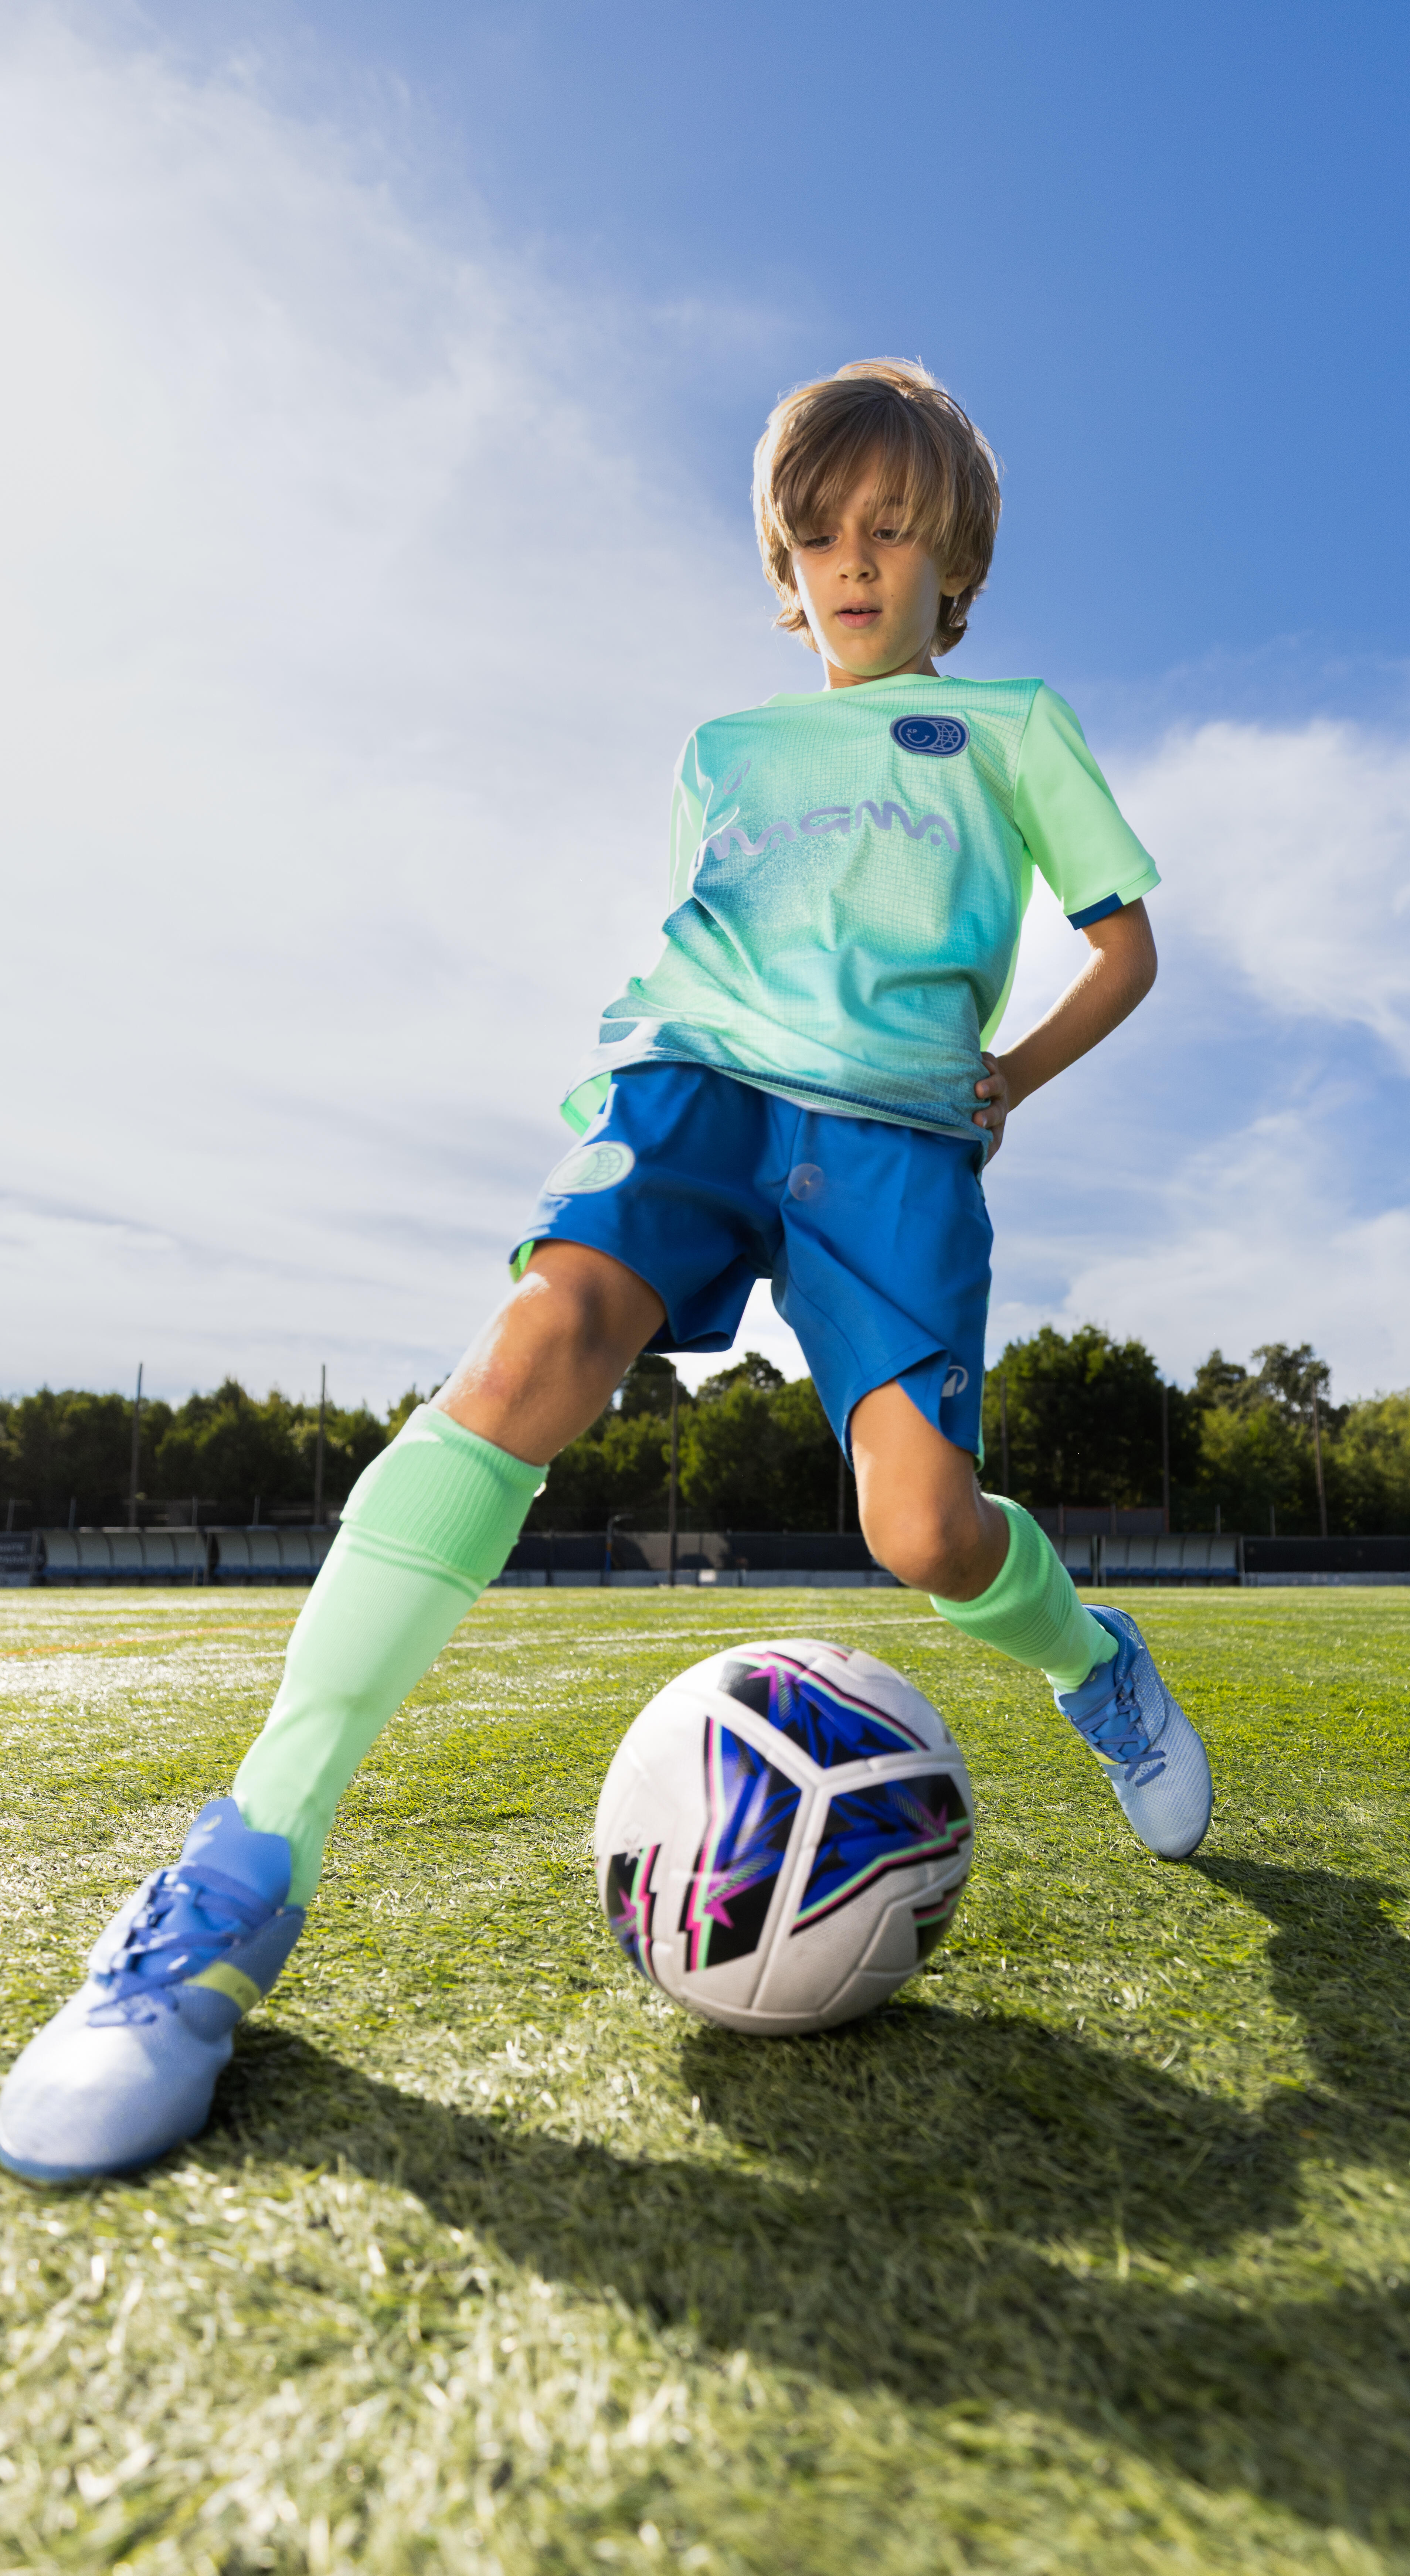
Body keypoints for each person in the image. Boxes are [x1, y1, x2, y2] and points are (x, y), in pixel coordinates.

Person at [0, 357, 1212, 2186]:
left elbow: (1126, 947)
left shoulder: (1014, 727)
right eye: (820, 535)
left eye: (893, 531)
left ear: (956, 560)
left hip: (895, 1142)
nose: (854, 561)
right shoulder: (723, 753)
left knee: (924, 1530)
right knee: (532, 1348)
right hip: (694, 1082)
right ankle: (234, 1881)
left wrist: (1011, 1078)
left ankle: (1093, 1661)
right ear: (783, 565)